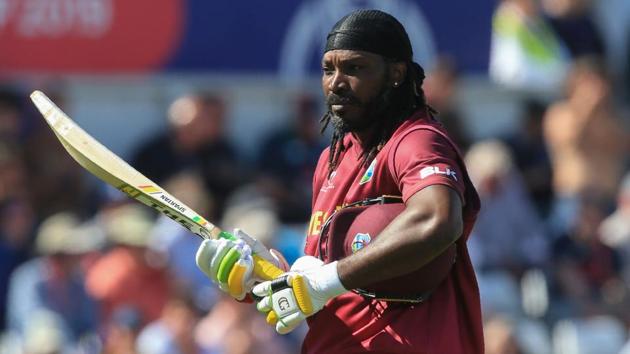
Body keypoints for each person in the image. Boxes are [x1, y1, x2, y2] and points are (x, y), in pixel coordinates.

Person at [195, 9, 482, 353]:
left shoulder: (416, 139)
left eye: (355, 68)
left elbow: (437, 219)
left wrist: (327, 280)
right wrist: (259, 276)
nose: (337, 83)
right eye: (328, 69)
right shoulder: (331, 160)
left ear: (396, 73)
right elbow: (323, 289)